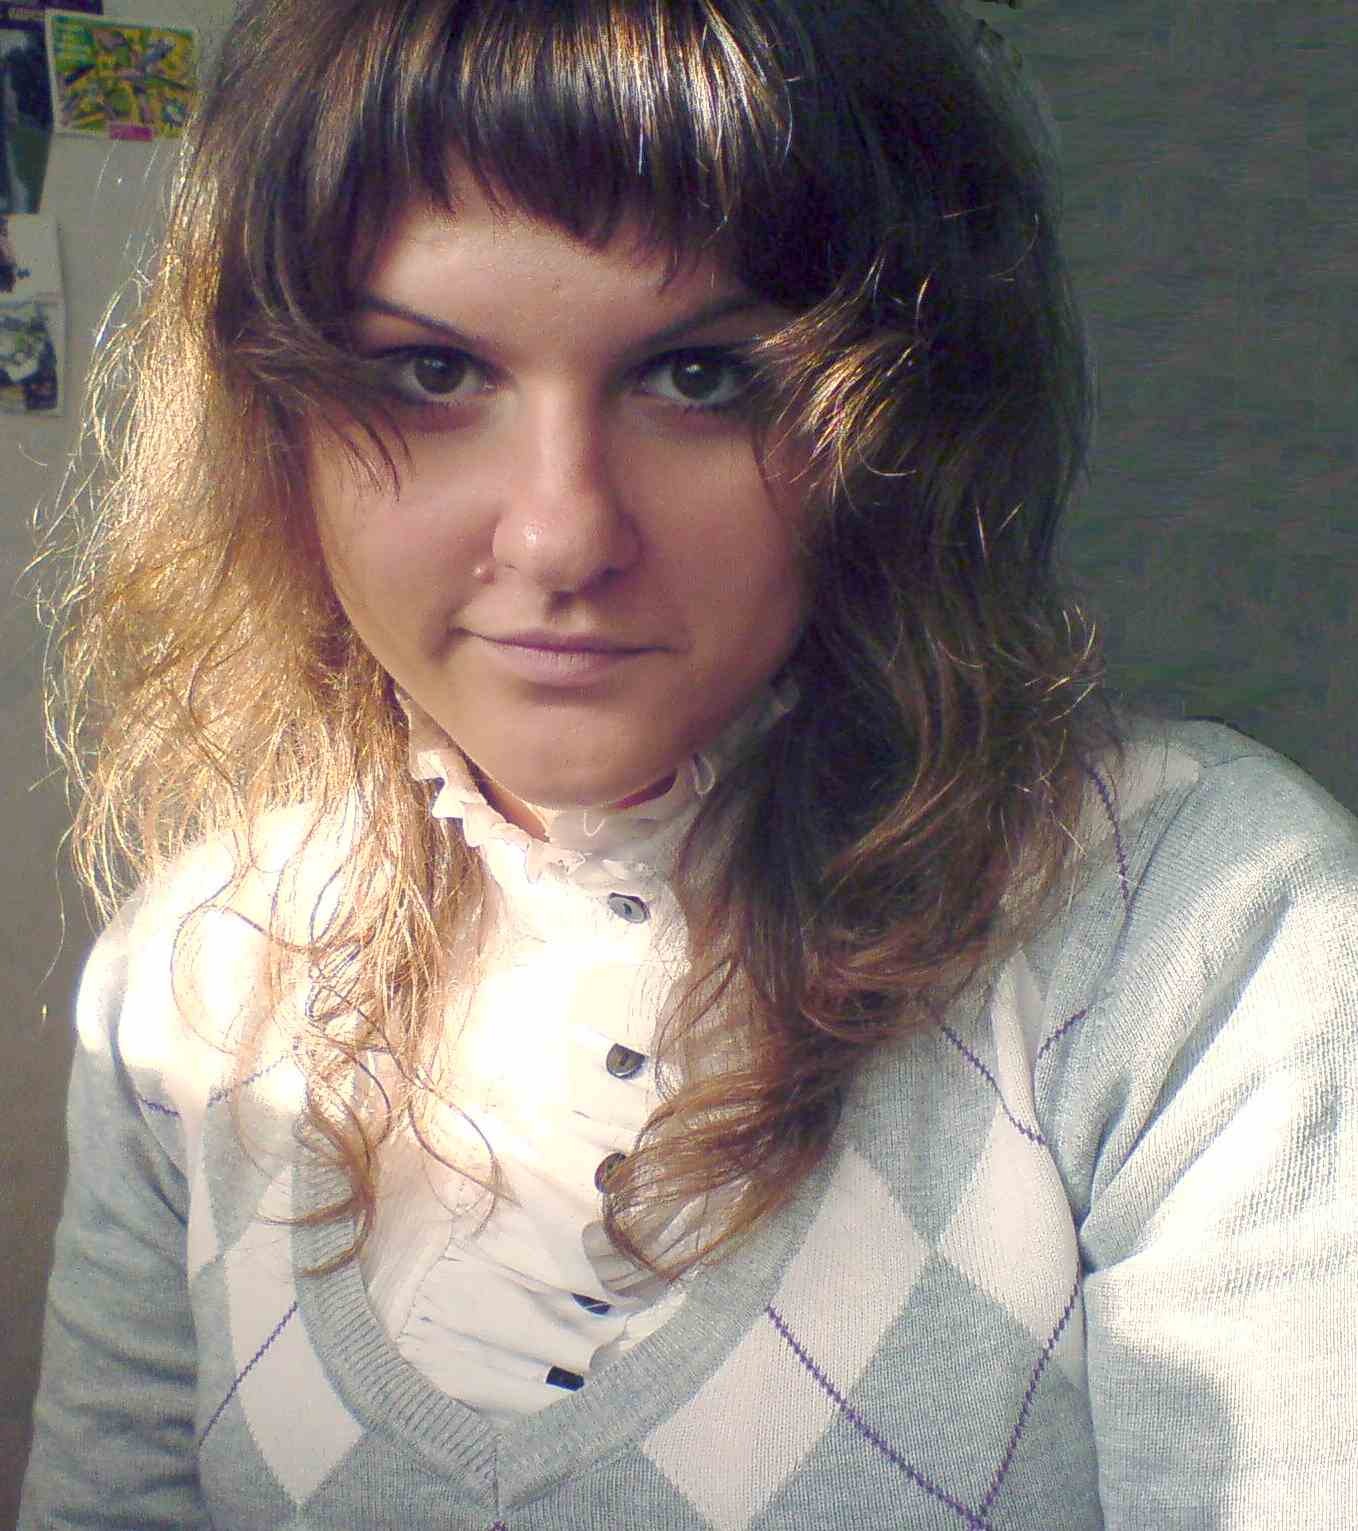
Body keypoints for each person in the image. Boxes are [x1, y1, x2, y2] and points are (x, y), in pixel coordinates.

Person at [19, 0, 1358, 1525]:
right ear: (271, 417)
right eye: (432, 373)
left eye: (703, 377)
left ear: (903, 415)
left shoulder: (1201, 941)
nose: (561, 537)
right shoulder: (187, 982)